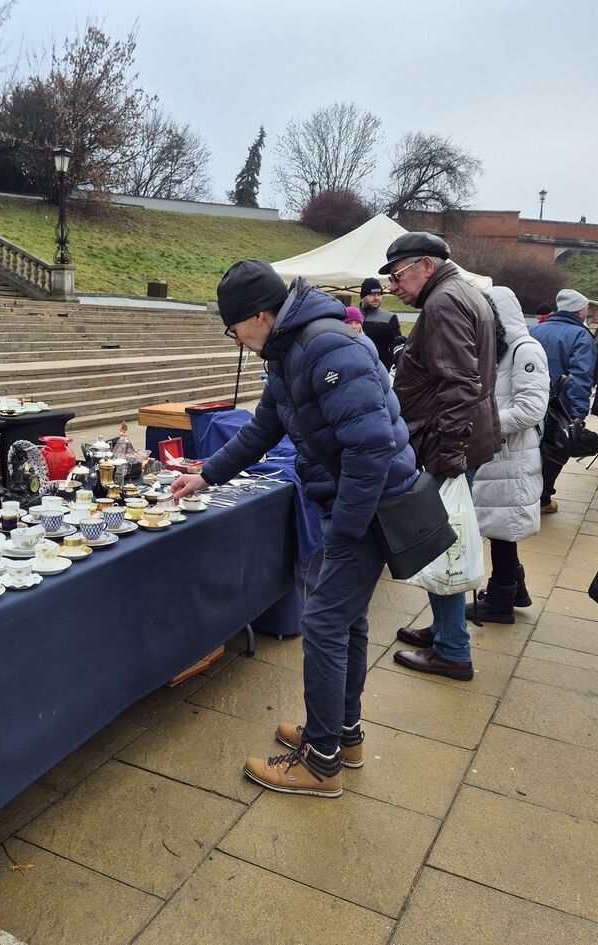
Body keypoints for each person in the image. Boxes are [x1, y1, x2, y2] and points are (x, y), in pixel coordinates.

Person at [170, 259, 418, 797]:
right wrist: (206, 475)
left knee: (325, 626)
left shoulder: (325, 346)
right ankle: (342, 736)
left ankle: (322, 761)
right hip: (352, 503)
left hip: (367, 507)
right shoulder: (288, 349)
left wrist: (346, 529)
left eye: (234, 330)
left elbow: (371, 445)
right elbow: (263, 428)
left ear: (260, 316)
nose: (236, 342)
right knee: (346, 623)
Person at [384, 232, 500, 681]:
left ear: (426, 266)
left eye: (398, 275)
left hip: (449, 444)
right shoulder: (463, 292)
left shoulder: (443, 302)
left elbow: (459, 385)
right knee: (443, 539)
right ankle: (444, 630)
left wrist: (447, 451)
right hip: (461, 439)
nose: (394, 286)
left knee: (442, 542)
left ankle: (453, 649)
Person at [465, 286, 550, 624]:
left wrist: (481, 423)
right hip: (496, 453)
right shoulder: (498, 349)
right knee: (501, 526)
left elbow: (531, 409)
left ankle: (501, 600)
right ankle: (514, 589)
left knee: (503, 527)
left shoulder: (525, 350)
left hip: (511, 454)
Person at [530, 288, 596, 513]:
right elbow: (581, 376)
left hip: (530, 401)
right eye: (587, 308)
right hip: (560, 406)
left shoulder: (535, 329)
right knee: (554, 451)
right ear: (580, 310)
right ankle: (543, 499)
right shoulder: (581, 335)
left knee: (530, 450)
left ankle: (528, 496)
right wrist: (579, 411)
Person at [359, 277, 403, 371]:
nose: (376, 298)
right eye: (372, 294)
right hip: (355, 368)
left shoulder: (390, 317)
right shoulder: (352, 315)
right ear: (362, 296)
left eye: (379, 294)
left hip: (381, 371)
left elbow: (396, 347)